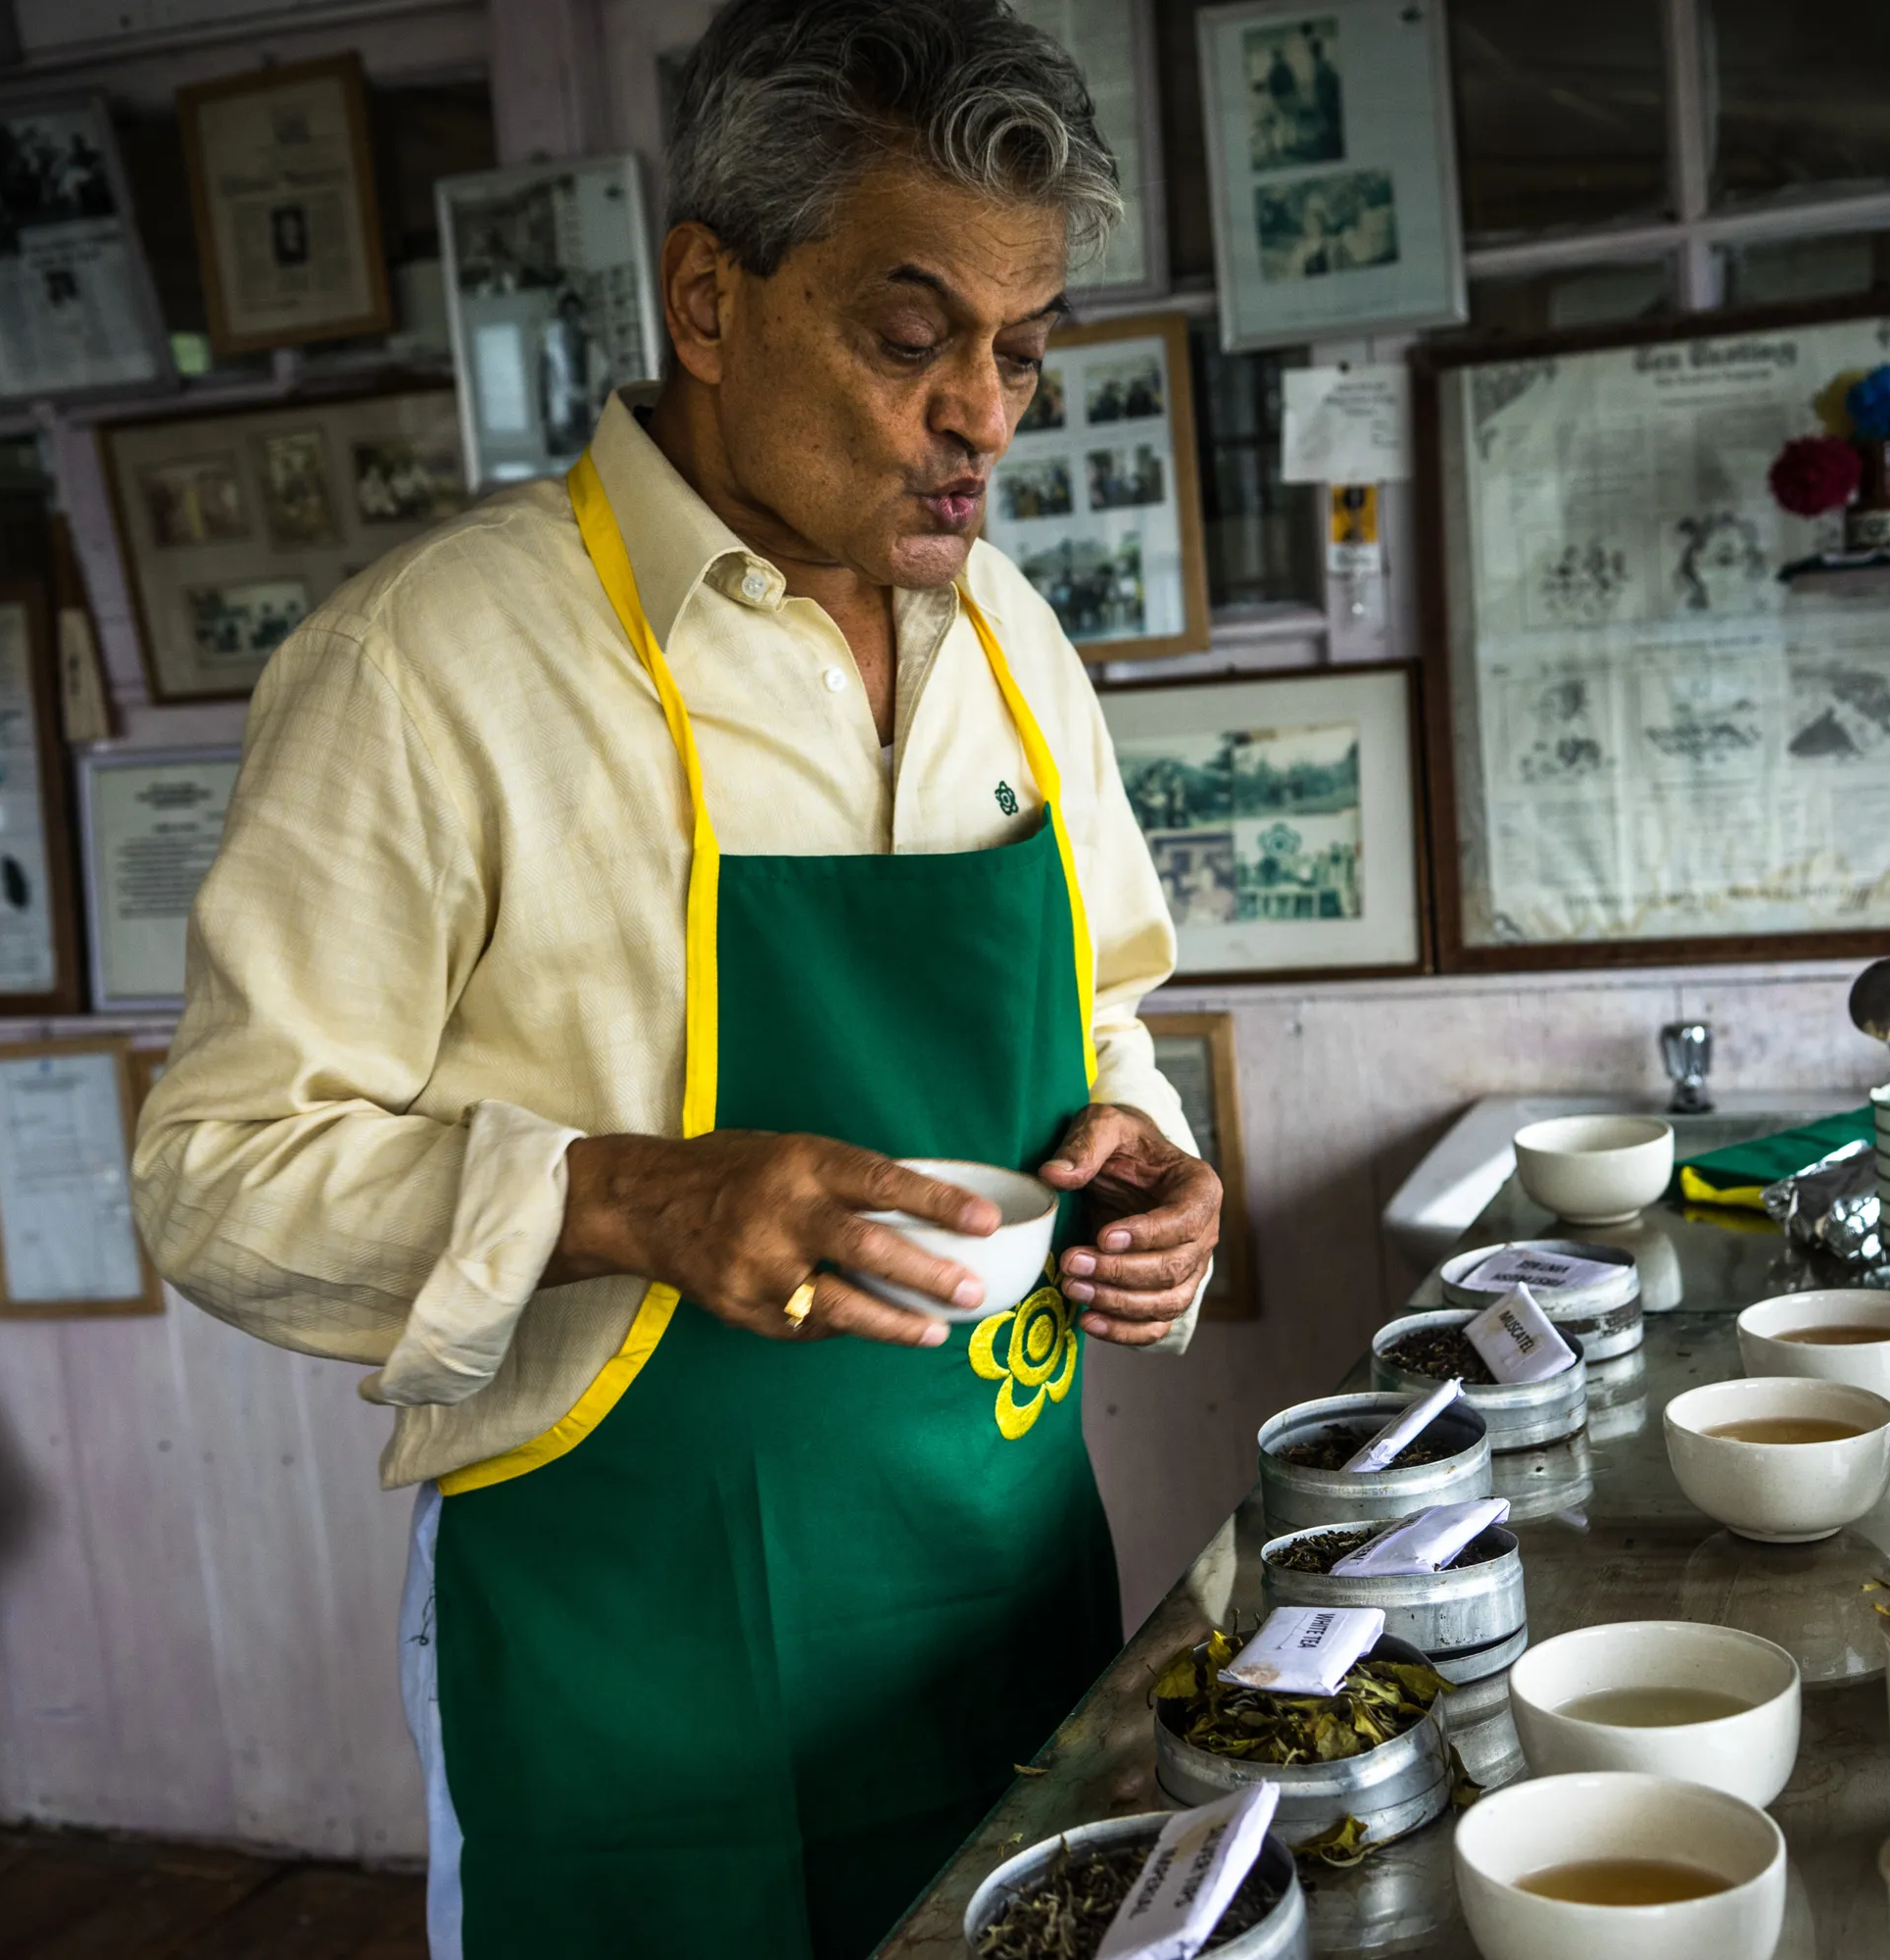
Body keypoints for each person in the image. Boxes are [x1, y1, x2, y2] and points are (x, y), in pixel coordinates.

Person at [129, 4, 1221, 1956]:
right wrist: (637, 1193)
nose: (983, 411)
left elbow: (1110, 1005)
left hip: (1001, 1585)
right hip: (633, 1644)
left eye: (1022, 353)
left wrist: (1150, 1154)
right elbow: (215, 1177)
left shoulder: (1015, 644)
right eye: (913, 337)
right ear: (708, 302)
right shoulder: (432, 667)